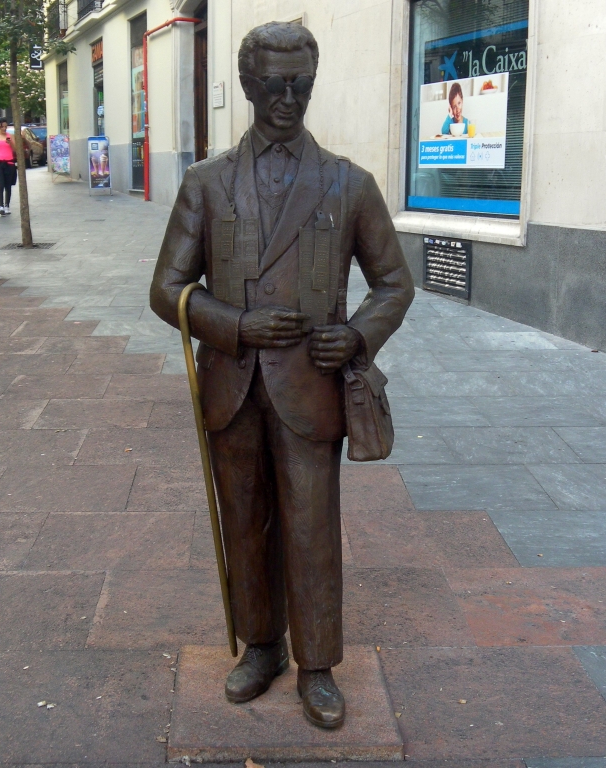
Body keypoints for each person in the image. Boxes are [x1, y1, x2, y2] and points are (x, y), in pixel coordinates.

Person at [150, 22, 413, 729]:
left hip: (309, 389)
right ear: (247, 84)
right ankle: (261, 645)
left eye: (300, 84)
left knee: (311, 525)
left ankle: (318, 664)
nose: (287, 98)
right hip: (232, 388)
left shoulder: (348, 183)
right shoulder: (207, 183)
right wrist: (235, 325)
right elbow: (166, 290)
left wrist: (356, 335)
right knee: (245, 522)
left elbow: (394, 283)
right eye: (273, 84)